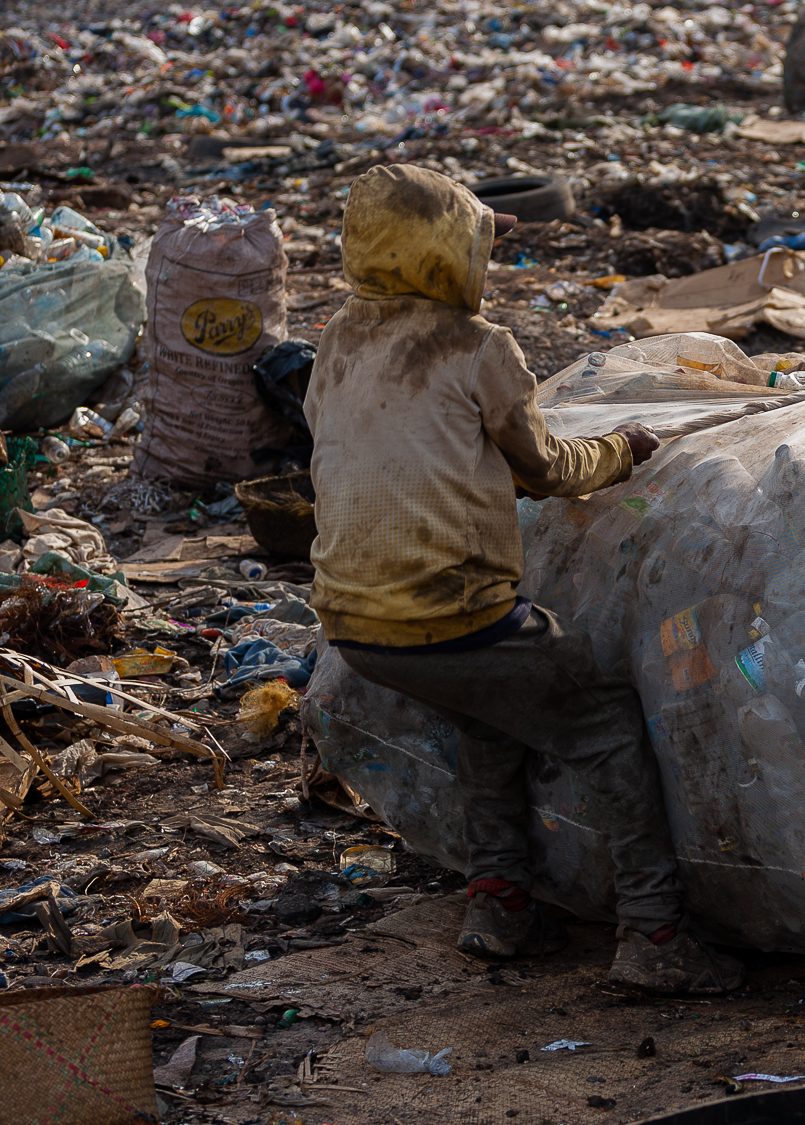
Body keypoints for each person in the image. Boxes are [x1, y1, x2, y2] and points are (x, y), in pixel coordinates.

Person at [304, 164, 743, 995]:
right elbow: (546, 471)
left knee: (491, 716)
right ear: (446, 258)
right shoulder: (480, 348)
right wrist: (626, 449)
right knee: (605, 721)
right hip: (451, 613)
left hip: (354, 625)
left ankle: (499, 903)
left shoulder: (337, 340)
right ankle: (655, 934)